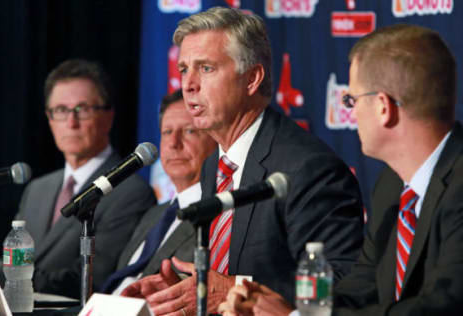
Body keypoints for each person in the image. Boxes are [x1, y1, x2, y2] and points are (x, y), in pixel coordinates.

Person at [122, 7, 364, 315]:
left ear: (252, 78)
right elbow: (224, 274)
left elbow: (338, 286)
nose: (188, 84)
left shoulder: (309, 169)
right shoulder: (215, 165)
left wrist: (237, 288)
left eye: (206, 68)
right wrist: (184, 289)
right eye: (184, 69)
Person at [220, 23, 463, 316]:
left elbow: (442, 307)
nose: (350, 112)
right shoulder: (392, 185)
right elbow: (360, 287)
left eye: (352, 100)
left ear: (383, 107)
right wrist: (280, 306)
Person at [0, 59, 156, 298]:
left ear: (108, 116)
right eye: (61, 111)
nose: (71, 123)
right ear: (50, 118)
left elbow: (95, 276)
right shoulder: (38, 189)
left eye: (82, 109)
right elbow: (15, 259)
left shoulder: (130, 191)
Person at [98, 89, 217, 295]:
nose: (174, 143)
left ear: (216, 141)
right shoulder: (154, 214)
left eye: (189, 131)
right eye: (167, 132)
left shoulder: (218, 216)